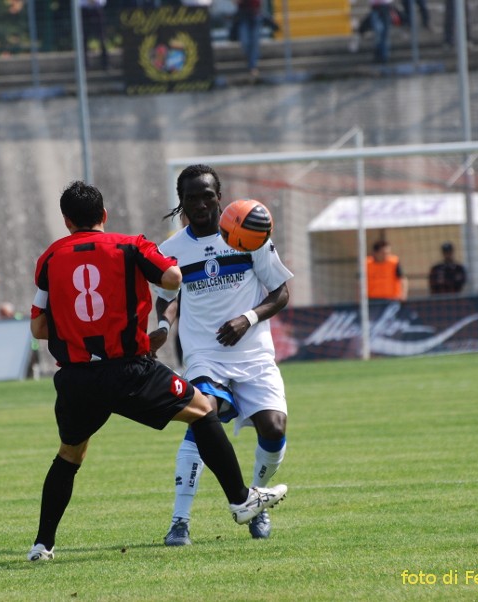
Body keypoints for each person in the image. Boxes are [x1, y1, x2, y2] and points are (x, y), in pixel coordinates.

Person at [25, 181, 287, 562]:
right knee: (202, 410)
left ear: (66, 221)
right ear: (104, 215)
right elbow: (172, 279)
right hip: (130, 370)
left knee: (69, 455)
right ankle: (241, 499)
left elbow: (38, 329)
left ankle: (42, 545)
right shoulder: (130, 245)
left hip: (77, 379)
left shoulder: (49, 259)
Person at [150, 164, 293, 546]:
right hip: (203, 354)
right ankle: (180, 521)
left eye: (207, 195)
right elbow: (166, 301)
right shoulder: (171, 251)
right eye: (191, 197)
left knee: (274, 428)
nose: (200, 203)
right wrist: (163, 329)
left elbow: (280, 293)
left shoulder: (249, 235)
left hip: (254, 353)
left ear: (219, 196)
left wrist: (247, 319)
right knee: (203, 416)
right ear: (181, 203)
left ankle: (254, 504)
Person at [234, 0, 264, 79]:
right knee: (245, 41)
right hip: (243, 15)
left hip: (255, 14)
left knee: (254, 41)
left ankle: (252, 66)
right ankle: (250, 58)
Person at [81, 0, 109, 71]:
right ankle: (85, 65)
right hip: (84, 12)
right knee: (83, 39)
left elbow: (102, 2)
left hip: (97, 10)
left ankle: (105, 64)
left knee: (102, 38)